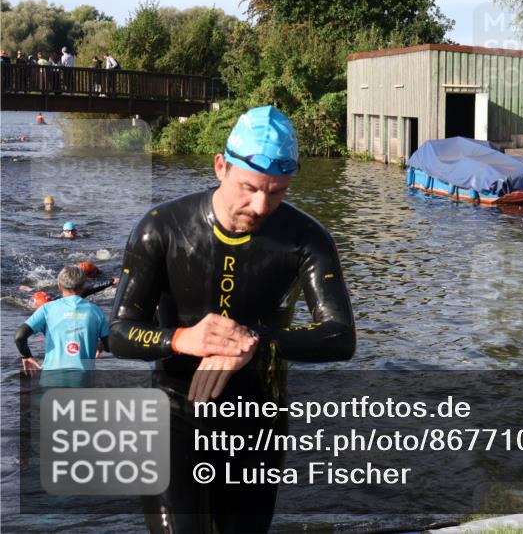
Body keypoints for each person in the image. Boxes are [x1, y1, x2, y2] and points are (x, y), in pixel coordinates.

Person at [108, 105, 356, 533]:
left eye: (278, 192)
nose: (261, 205)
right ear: (220, 166)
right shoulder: (161, 228)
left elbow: (340, 336)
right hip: (172, 413)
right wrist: (183, 338)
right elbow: (119, 333)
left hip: (259, 414)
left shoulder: (307, 239)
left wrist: (255, 342)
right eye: (250, 187)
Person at [15, 265, 110, 375]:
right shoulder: (95, 311)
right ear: (84, 286)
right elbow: (109, 346)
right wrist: (101, 345)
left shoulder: (46, 309)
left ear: (59, 286)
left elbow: (19, 337)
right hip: (83, 380)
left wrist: (26, 356)